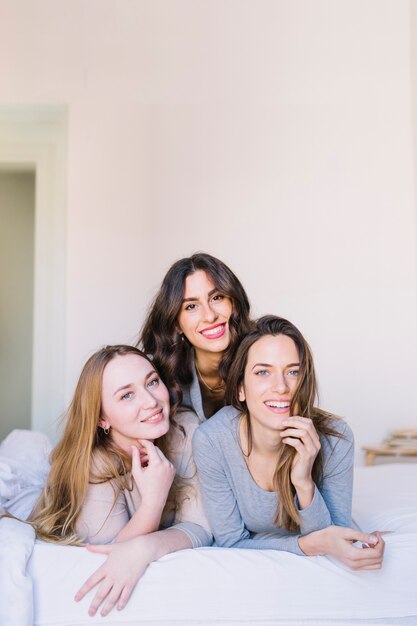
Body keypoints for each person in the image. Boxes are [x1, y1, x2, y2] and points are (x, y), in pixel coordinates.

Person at [192, 315, 385, 569]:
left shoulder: (336, 438)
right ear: (240, 388)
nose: (281, 387)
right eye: (263, 372)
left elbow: (334, 538)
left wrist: (304, 483)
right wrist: (304, 546)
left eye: (292, 372)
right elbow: (229, 543)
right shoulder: (212, 440)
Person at [29, 345, 211, 549]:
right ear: (101, 419)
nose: (151, 401)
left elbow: (200, 528)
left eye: (152, 382)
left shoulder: (186, 429)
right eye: (127, 395)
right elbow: (107, 550)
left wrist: (149, 547)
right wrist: (153, 501)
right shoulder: (95, 463)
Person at [140, 252, 252, 421]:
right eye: (191, 306)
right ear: (176, 324)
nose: (210, 316)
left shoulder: (262, 355)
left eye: (217, 297)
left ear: (233, 302)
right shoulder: (157, 374)